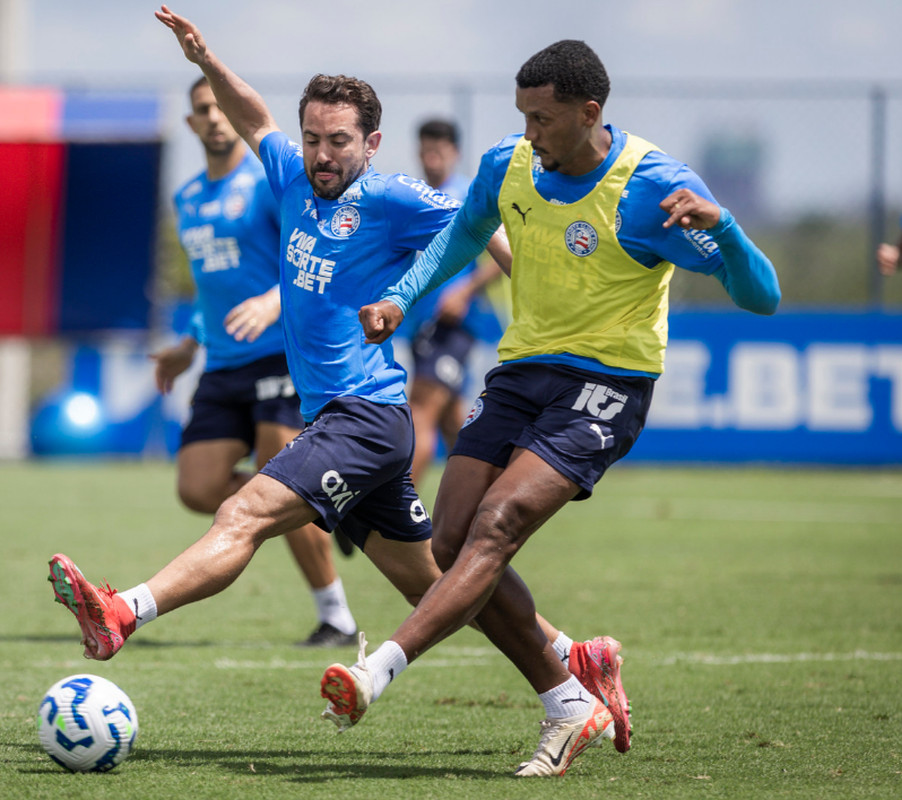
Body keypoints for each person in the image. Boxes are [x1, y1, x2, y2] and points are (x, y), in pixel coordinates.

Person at [49, 8, 627, 777]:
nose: (323, 155)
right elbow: (254, 116)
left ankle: (123, 612)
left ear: (372, 144)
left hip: (366, 417)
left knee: (244, 512)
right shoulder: (289, 174)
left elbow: (481, 223)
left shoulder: (392, 200)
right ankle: (573, 670)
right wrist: (207, 60)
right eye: (313, 139)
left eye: (340, 141)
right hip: (340, 419)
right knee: (444, 585)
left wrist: (544, 292)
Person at [323, 39, 780, 777]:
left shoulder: (651, 188)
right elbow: (464, 234)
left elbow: (763, 297)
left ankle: (379, 671)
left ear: (589, 113)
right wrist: (400, 299)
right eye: (522, 116)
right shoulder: (509, 164)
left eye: (542, 119)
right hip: (522, 371)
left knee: (496, 524)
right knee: (449, 542)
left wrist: (723, 227)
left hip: (608, 382)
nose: (529, 133)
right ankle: (573, 685)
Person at [151, 75, 357, 647]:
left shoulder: (268, 185)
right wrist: (189, 345)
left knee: (276, 468)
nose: (214, 117)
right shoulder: (187, 198)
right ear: (191, 123)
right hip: (222, 363)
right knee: (197, 488)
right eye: (202, 109)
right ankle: (325, 503)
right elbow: (211, 289)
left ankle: (336, 617)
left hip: (279, 356)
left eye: (221, 107)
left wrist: (273, 301)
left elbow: (314, 252)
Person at [399, 118, 505, 489]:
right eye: (425, 152)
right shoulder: (415, 198)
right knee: (451, 422)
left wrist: (465, 290)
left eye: (438, 152)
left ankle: (395, 507)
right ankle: (481, 496)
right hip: (421, 324)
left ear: (455, 153)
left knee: (420, 412)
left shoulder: (468, 197)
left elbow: (505, 254)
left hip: (453, 327)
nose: (431, 160)